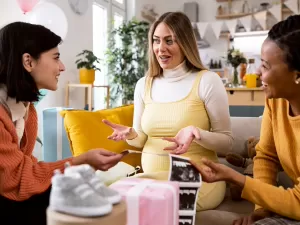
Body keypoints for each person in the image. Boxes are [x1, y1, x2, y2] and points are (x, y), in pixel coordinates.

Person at [103, 12, 233, 211]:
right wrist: (130, 134)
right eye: (156, 41)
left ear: (185, 43)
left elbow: (226, 143)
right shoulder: (143, 84)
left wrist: (197, 134)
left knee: (160, 205)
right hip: (153, 178)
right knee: (111, 200)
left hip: (198, 175)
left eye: (169, 41)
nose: (160, 48)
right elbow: (140, 139)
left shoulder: (207, 81)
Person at [0, 22, 125, 225]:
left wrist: (80, 165)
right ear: (28, 62)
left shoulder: (25, 109)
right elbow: (14, 180)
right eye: (56, 57)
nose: (62, 67)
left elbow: (25, 165)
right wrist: (81, 161)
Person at [193, 15, 300, 225]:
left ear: (297, 75)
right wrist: (262, 211)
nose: (258, 73)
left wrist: (236, 178)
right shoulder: (276, 101)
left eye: (266, 66)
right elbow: (267, 156)